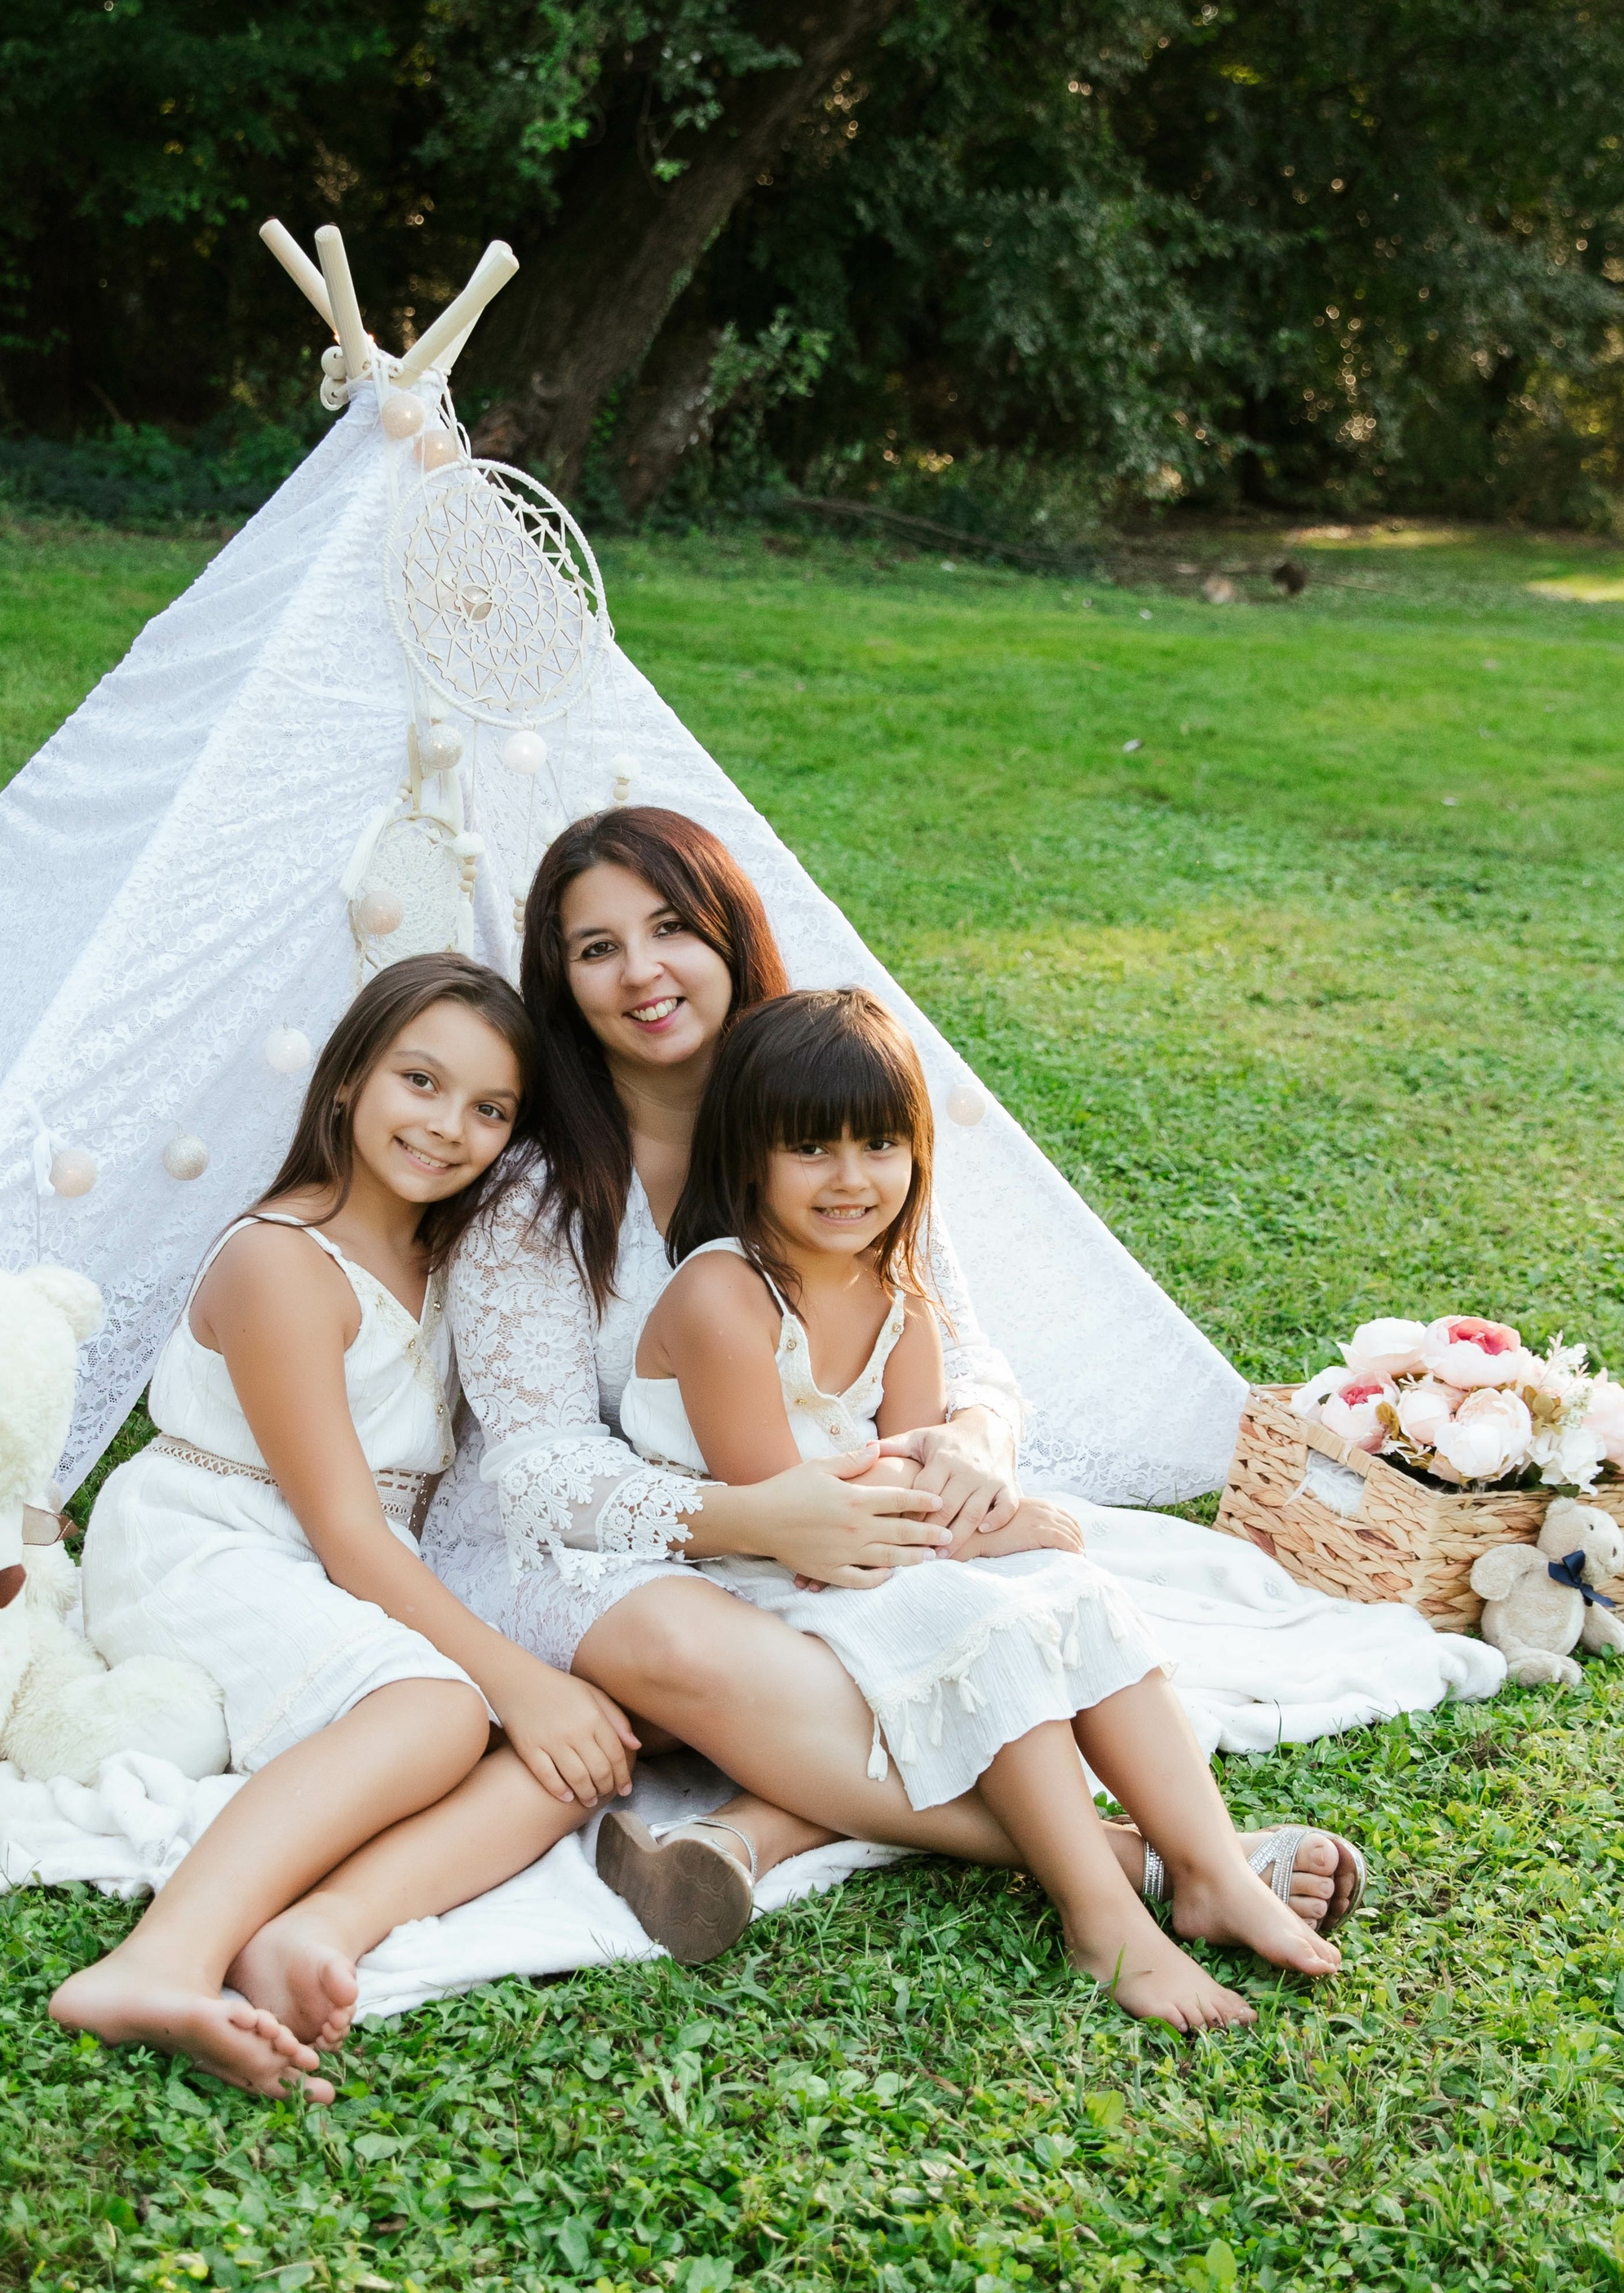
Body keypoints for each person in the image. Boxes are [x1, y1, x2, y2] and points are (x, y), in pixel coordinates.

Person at [228, 811, 1356, 2045]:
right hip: (595, 1545)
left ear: (728, 933)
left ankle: (838, 1829)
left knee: (962, 1621)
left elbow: (960, 1348)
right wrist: (746, 1513)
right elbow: (542, 1460)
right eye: (597, 947)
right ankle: (1129, 1857)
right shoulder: (534, 1187)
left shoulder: (836, 1117)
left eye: (670, 929)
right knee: (695, 1650)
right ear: (562, 980)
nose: (644, 971)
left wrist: (973, 1445)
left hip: (822, 1521)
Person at [603, 985, 1342, 2029]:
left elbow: (919, 1466)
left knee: (1070, 1590)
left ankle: (1210, 1864)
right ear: (747, 1155)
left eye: (880, 1145)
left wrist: (994, 1525)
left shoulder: (902, 1297)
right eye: (812, 1148)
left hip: (876, 1556)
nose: (852, 1178)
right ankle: (1102, 1921)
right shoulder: (721, 1294)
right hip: (755, 1572)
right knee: (986, 1619)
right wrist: (994, 1524)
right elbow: (793, 1508)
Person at [49, 955, 640, 2095]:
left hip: (345, 1559)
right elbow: (347, 1531)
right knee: (445, 1707)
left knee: (581, 1739)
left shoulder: (448, 1259)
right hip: (206, 1536)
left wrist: (541, 1683)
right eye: (419, 1080)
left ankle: (315, 1927)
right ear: (346, 1082)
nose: (447, 1125)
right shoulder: (283, 1258)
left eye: (489, 1108)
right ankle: (157, 1960)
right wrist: (515, 1679)